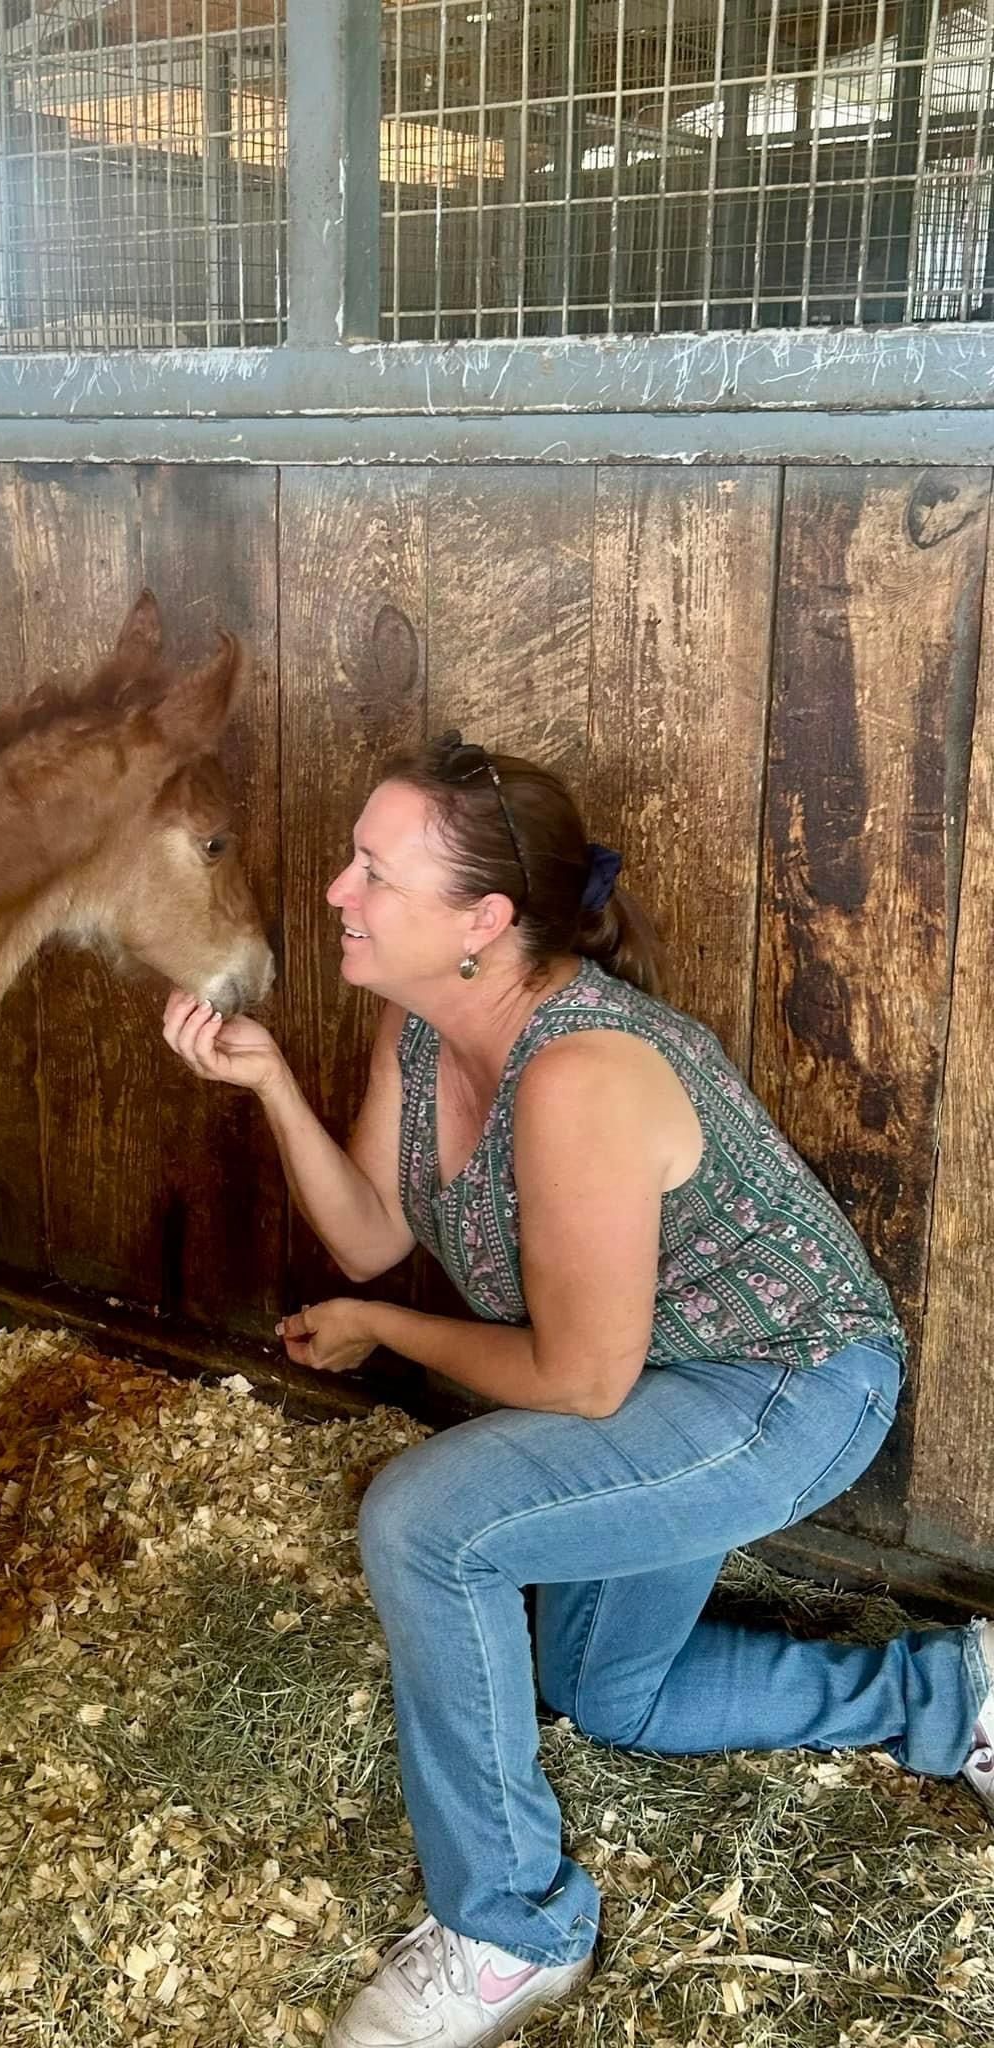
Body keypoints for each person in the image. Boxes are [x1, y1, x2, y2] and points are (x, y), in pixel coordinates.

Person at [160, 731, 994, 2048]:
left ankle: (508, 1926)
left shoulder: (585, 1074)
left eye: (373, 871)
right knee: (616, 1697)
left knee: (427, 1525)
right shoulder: (423, 1024)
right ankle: (959, 1699)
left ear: (482, 922)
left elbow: (574, 1379)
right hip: (661, 1380)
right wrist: (267, 1083)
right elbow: (375, 1229)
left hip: (785, 1383)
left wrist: (387, 1328)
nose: (337, 891)